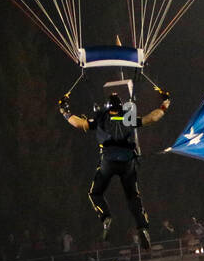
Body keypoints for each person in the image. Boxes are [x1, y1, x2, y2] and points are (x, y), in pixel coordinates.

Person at [60, 89, 171, 249]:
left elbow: (78, 123)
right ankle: (143, 228)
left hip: (108, 161)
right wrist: (165, 102)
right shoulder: (128, 118)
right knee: (133, 198)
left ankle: (105, 216)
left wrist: (64, 110)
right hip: (127, 162)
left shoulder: (101, 118)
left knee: (95, 193)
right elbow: (153, 117)